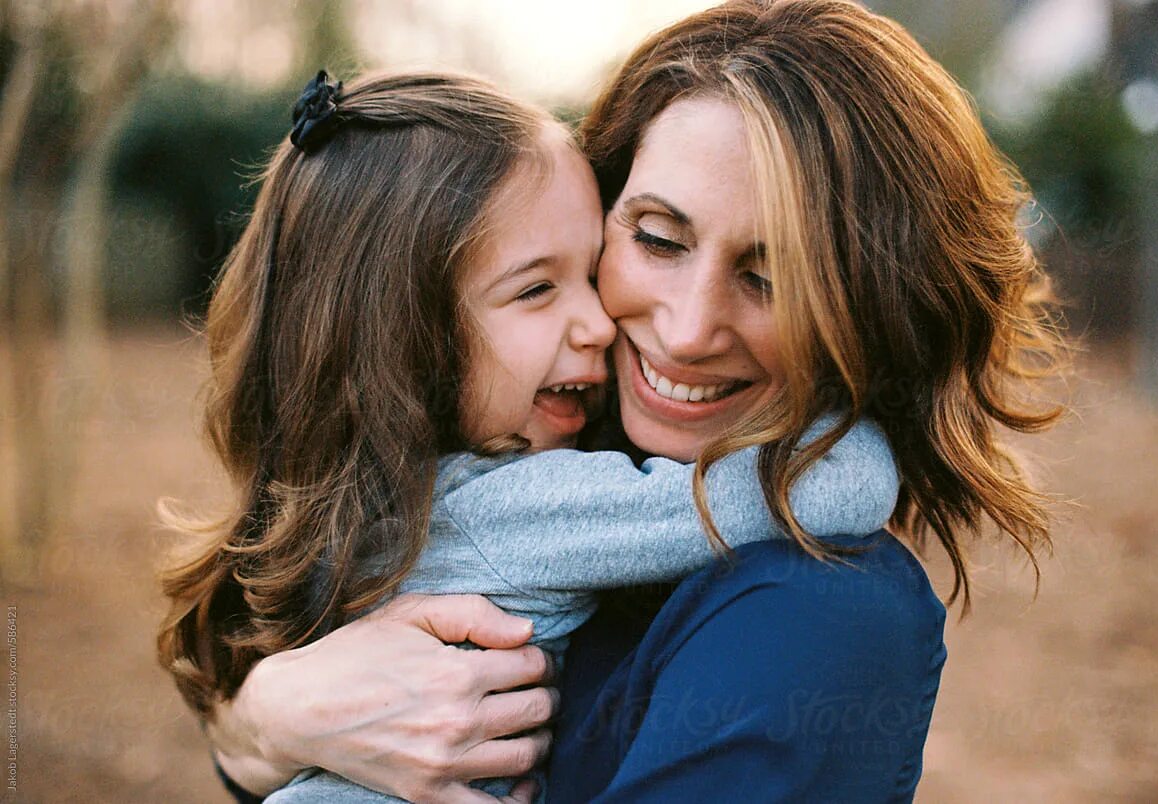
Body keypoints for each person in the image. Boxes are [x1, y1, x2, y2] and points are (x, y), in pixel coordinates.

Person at [200, 1, 1068, 801]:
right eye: (656, 238)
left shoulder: (814, 616)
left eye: (771, 278)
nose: (689, 331)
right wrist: (267, 724)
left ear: (878, 309)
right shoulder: (536, 471)